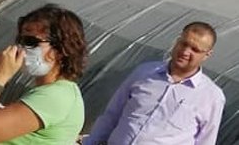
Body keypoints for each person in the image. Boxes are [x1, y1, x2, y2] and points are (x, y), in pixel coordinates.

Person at [0, 4, 87, 144]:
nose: (22, 48)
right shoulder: (53, 92)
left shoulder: (55, 96)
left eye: (31, 41)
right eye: (21, 40)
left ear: (61, 50)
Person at [85, 21, 225, 145]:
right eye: (183, 43)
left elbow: (206, 141)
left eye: (195, 49)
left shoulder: (211, 96)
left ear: (207, 54)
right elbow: (112, 114)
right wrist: (90, 142)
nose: (185, 51)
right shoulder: (144, 72)